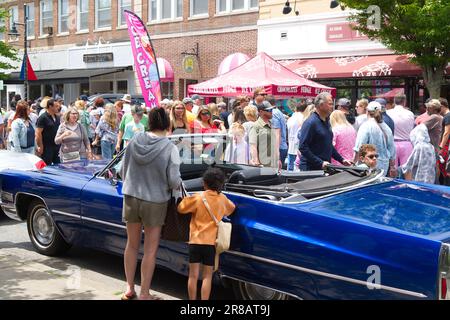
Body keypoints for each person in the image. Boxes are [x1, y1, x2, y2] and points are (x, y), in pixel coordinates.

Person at [121, 107, 182, 301]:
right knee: (150, 250)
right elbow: (174, 181)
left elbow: (122, 170)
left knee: (131, 245)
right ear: (167, 123)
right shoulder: (170, 147)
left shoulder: (135, 140)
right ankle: (145, 293)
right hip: (155, 201)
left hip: (131, 197)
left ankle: (129, 288)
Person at [178, 167, 235, 300]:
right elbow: (231, 209)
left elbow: (181, 208)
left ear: (204, 183)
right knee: (207, 277)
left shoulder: (198, 198)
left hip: (195, 242)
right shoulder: (222, 199)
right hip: (210, 244)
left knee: (193, 275)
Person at [298, 92, 353, 171]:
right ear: (321, 105)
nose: (332, 107)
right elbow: (302, 147)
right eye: (330, 104)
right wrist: (320, 162)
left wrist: (342, 160)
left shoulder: (327, 121)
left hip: (324, 168)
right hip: (310, 170)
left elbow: (329, 145)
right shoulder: (310, 122)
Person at [353, 101, 396, 176]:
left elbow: (359, 147)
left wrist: (353, 163)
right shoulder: (386, 128)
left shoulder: (366, 126)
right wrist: (392, 166)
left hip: (368, 165)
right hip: (384, 165)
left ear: (367, 111)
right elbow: (392, 149)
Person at [386, 94, 414, 167]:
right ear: (404, 102)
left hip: (392, 143)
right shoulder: (410, 114)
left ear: (394, 102)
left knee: (392, 169)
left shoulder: (388, 113)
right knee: (407, 170)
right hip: (406, 143)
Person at [248, 101, 278, 168]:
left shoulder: (271, 124)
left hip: (273, 164)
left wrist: (278, 159)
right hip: (263, 166)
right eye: (269, 110)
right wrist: (256, 162)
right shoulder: (256, 126)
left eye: (272, 110)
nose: (271, 112)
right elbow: (253, 146)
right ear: (261, 112)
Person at [36, 99, 62, 165]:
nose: (58, 108)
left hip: (56, 146)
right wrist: (40, 146)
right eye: (56, 106)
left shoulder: (57, 117)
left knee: (58, 165)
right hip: (46, 147)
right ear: (50, 106)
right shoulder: (43, 117)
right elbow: (38, 133)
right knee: (45, 166)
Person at [267, 95, 288, 169]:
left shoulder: (274, 113)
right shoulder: (278, 112)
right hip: (281, 147)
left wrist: (276, 153)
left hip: (279, 148)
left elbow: (277, 133)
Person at [287, 102, 305, 171]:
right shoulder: (303, 117)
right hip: (299, 149)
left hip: (291, 147)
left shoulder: (291, 118)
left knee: (290, 169)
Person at [439, 98, 450, 185]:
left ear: (442, 106)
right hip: (446, 145)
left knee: (445, 168)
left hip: (446, 146)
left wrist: (441, 147)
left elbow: (447, 132)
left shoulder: (448, 116)